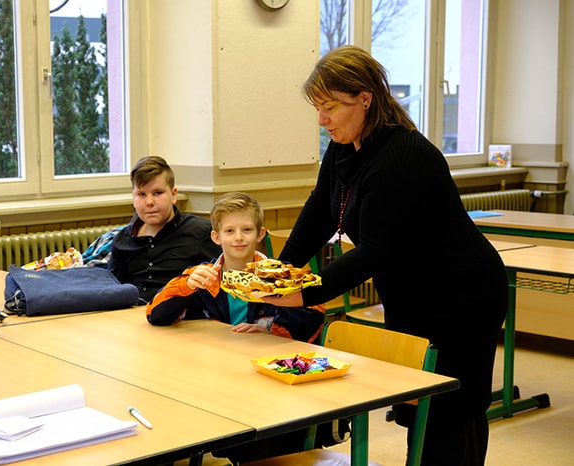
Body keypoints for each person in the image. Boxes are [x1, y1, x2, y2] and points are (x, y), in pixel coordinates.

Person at [265, 46, 508, 466]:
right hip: (412, 290)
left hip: (461, 294)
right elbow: (321, 206)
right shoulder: (345, 146)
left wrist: (305, 292)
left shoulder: (403, 156)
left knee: (450, 410)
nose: (321, 120)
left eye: (329, 107)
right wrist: (281, 269)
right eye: (317, 108)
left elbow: (377, 249)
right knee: (418, 406)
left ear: (365, 99)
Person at [145, 191, 325, 343]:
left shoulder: (282, 275)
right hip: (217, 356)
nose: (239, 237)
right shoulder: (202, 277)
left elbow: (315, 311)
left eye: (247, 230)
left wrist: (271, 332)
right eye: (229, 231)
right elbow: (155, 314)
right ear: (216, 237)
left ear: (260, 234)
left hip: (267, 355)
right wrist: (187, 286)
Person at [108, 155, 221, 303]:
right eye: (141, 194)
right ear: (133, 198)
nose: (149, 202)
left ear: (173, 195)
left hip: (179, 313)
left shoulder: (201, 233)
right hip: (131, 312)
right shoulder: (123, 239)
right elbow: (113, 289)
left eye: (158, 193)